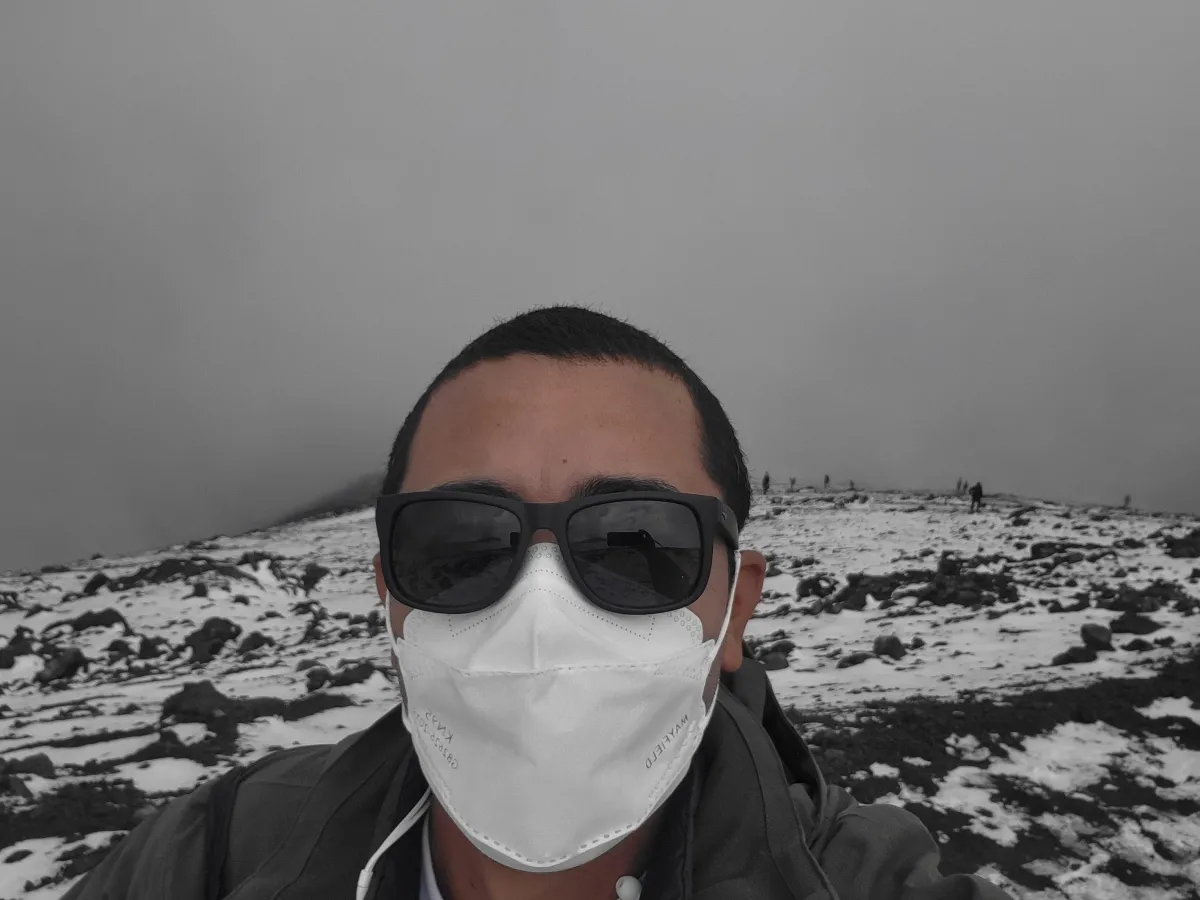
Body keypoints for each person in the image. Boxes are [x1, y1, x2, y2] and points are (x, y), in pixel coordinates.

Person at [65, 307, 1013, 900]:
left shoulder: (853, 883)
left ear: (736, 610)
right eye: (461, 545)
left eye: (636, 543)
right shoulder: (220, 852)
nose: (540, 612)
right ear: (389, 595)